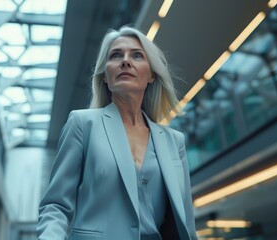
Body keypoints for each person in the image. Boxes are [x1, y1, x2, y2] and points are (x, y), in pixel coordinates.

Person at [37, 25, 197, 240]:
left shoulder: (174, 141)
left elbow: (185, 219)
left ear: (151, 75)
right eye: (116, 55)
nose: (125, 61)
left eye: (137, 55)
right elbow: (55, 206)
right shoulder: (82, 124)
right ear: (105, 76)